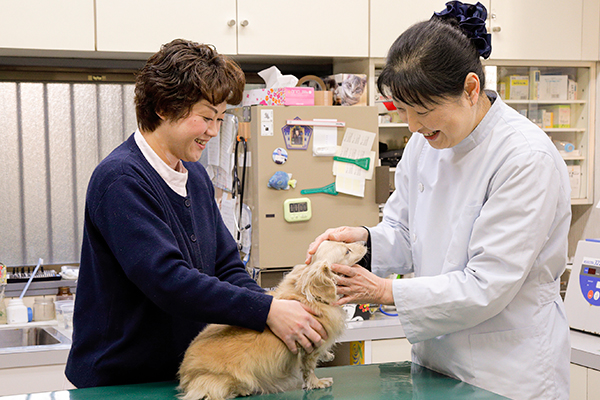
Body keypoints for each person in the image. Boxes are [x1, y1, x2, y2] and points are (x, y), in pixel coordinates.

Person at [306, 2, 570, 399]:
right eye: (404, 111)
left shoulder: (524, 157)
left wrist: (384, 291)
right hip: (437, 360)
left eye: (423, 110)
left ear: (470, 89)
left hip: (507, 368)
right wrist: (362, 243)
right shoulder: (425, 142)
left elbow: (487, 284)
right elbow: (405, 230)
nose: (413, 126)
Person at [65, 39, 326, 388]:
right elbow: (168, 280)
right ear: (162, 107)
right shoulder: (121, 179)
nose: (214, 131)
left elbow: (226, 265)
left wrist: (268, 304)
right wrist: (267, 311)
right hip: (121, 381)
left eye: (220, 118)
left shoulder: (195, 176)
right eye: (205, 117)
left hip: (185, 374)